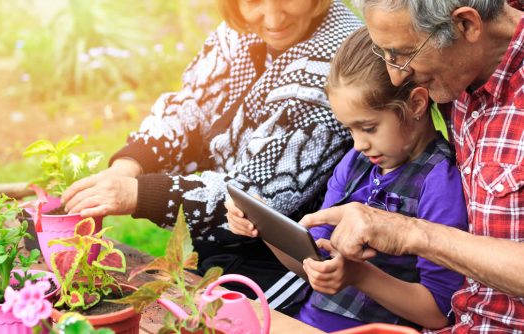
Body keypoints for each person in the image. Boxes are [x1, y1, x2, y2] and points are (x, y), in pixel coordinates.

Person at [60, 0, 363, 300]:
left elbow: (257, 198)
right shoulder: (239, 33)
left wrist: (136, 194)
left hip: (293, 264)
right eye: (254, 1)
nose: (272, 18)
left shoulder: (335, 60)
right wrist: (129, 164)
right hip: (223, 245)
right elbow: (192, 104)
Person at [301, 0, 524, 332]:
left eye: (403, 53)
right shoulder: (463, 69)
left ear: (466, 25)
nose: (395, 75)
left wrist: (408, 232)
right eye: (386, 54)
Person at [227, 27, 468, 332]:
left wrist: (360, 275)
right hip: (304, 321)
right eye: (350, 130)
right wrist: (263, 226)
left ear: (417, 105)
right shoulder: (356, 163)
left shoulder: (439, 183)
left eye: (368, 127)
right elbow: (311, 262)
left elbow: (438, 312)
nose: (358, 144)